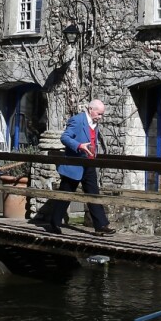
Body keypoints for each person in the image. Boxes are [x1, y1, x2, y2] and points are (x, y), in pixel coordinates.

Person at [48, 99, 116, 236]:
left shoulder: (94, 123)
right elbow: (65, 138)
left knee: (93, 194)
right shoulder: (77, 120)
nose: (100, 117)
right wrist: (79, 146)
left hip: (89, 164)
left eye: (102, 114)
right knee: (65, 195)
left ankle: (100, 225)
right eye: (99, 114)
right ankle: (54, 223)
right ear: (91, 110)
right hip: (74, 164)